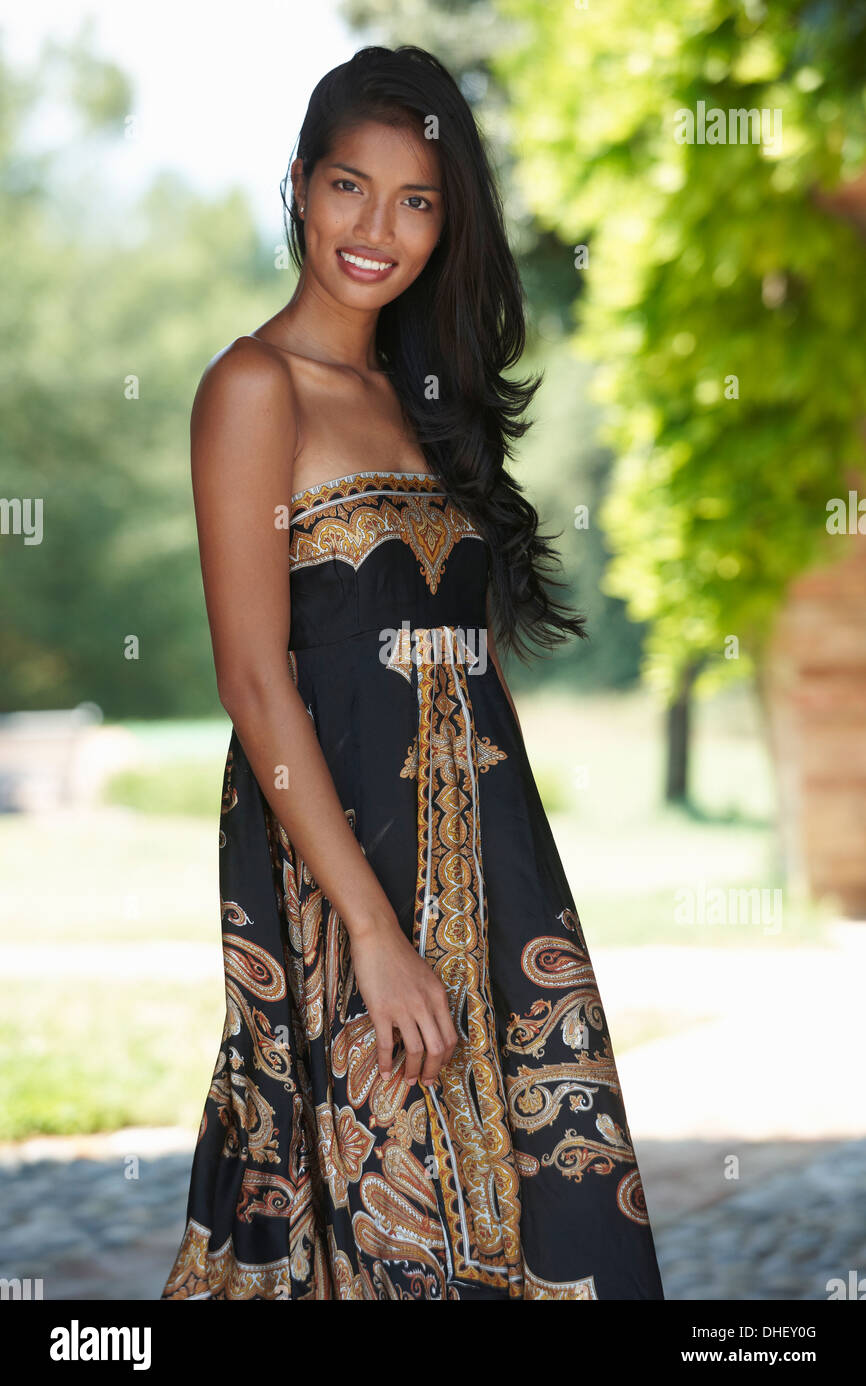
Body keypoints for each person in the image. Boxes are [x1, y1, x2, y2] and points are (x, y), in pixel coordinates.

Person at [161, 44, 665, 1301]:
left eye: (416, 200)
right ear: (296, 186)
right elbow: (252, 679)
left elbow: (469, 672)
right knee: (382, 1213)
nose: (375, 228)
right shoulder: (251, 388)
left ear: (449, 223)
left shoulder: (426, 400)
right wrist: (376, 936)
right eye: (348, 187)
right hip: (339, 876)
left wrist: (505, 891)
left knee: (551, 1198)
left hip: (495, 872)